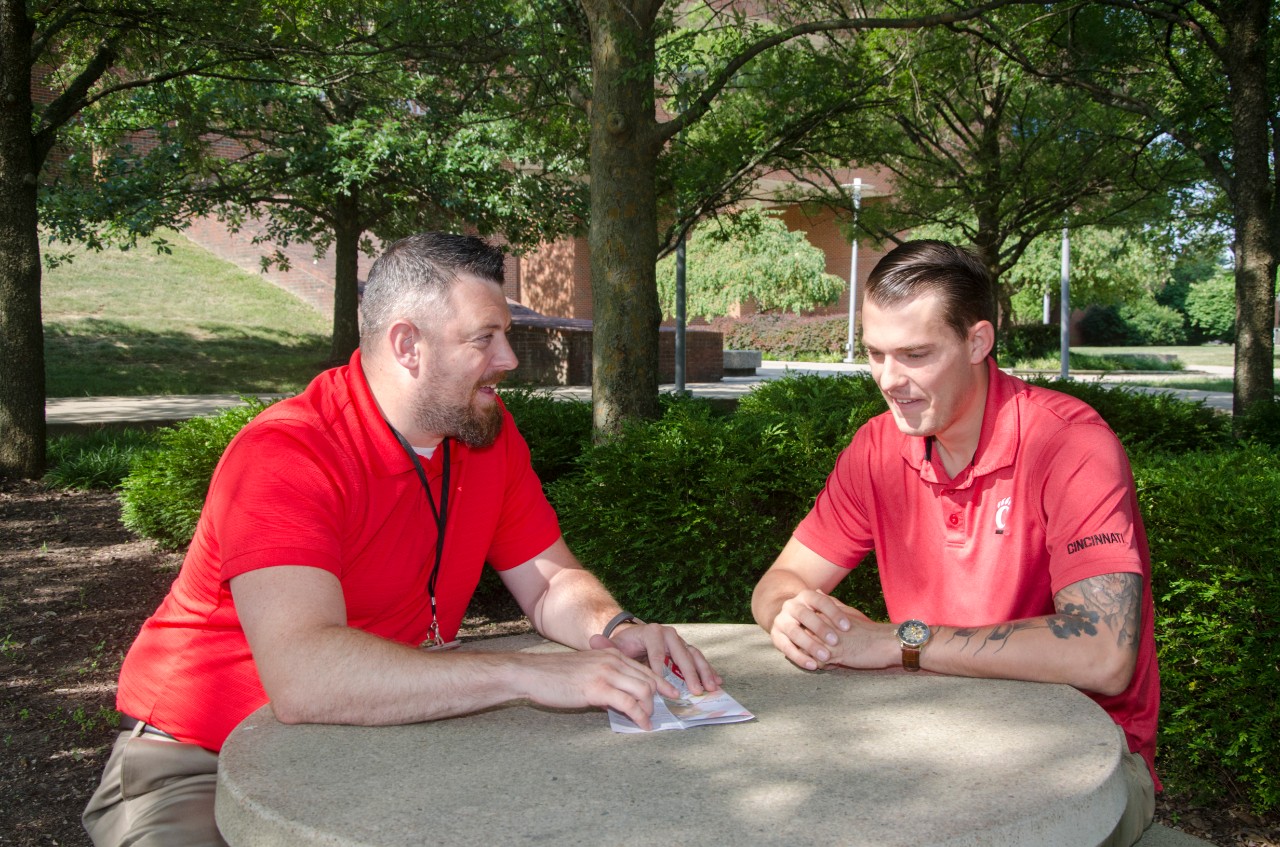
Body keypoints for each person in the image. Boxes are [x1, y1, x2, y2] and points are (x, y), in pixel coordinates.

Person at [84, 232, 722, 847]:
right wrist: (525, 674)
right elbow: (304, 677)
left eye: (508, 336)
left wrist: (612, 629)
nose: (509, 360)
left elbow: (550, 580)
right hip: (196, 760)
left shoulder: (485, 434)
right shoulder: (288, 455)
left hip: (366, 740)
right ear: (408, 344)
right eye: (485, 338)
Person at [751, 240, 1159, 847]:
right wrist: (794, 616)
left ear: (977, 342)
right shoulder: (876, 447)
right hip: (931, 741)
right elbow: (777, 583)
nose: (890, 381)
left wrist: (901, 642)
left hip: (1086, 763)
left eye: (916, 355)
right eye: (875, 354)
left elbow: (1101, 653)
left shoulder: (1071, 446)